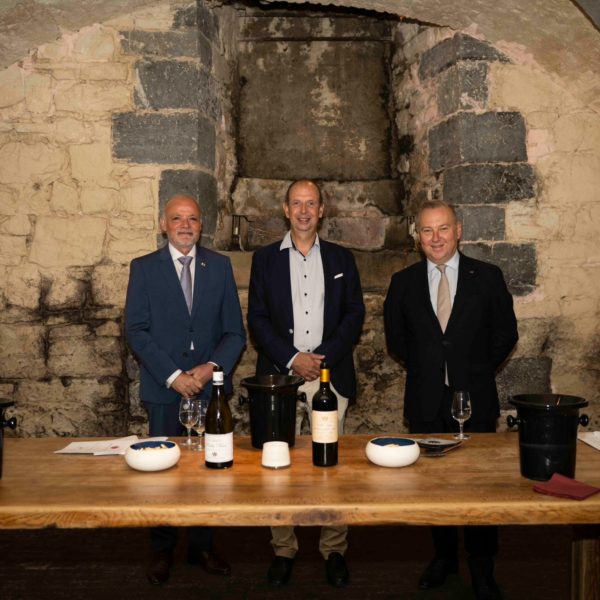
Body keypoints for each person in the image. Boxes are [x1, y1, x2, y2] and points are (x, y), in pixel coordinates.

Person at [384, 200, 518, 600]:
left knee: (480, 487)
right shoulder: (403, 282)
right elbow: (397, 340)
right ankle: (443, 558)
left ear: (458, 231)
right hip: (426, 402)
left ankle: (482, 567)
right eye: (427, 230)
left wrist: (473, 369)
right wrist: (430, 368)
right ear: (418, 238)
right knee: (433, 487)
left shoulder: (487, 277)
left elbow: (506, 333)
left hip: (475, 400)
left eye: (443, 228)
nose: (436, 237)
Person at [247, 179, 365, 589]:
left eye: (310, 203)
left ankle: (334, 549)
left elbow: (354, 314)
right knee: (277, 466)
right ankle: (284, 549)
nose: (303, 211)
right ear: (285, 209)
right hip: (280, 378)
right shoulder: (265, 259)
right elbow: (257, 318)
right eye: (296, 203)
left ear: (321, 210)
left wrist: (321, 359)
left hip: (329, 376)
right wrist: (293, 358)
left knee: (330, 467)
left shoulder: (341, 258)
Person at [125, 194, 246, 586]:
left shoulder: (220, 266)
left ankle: (202, 546)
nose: (185, 225)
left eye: (192, 218)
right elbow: (136, 331)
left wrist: (210, 369)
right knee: (162, 473)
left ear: (201, 224)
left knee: (210, 472)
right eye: (177, 218)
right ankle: (162, 550)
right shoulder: (144, 268)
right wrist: (174, 375)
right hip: (165, 390)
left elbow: (234, 333)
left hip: (210, 392)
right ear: (164, 224)